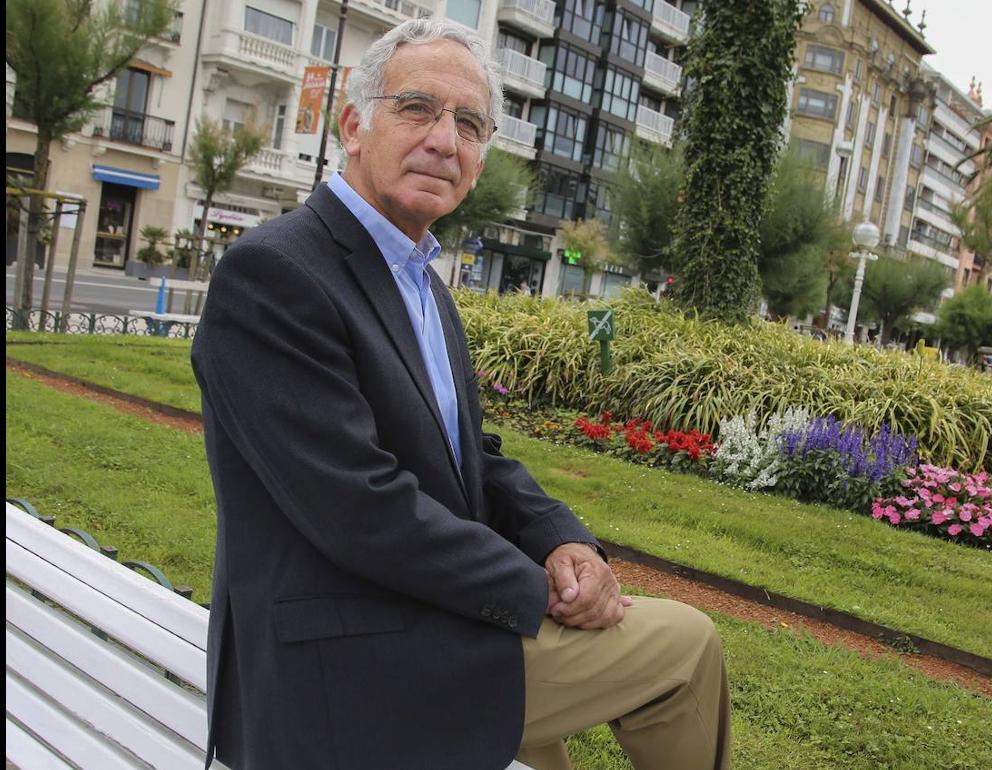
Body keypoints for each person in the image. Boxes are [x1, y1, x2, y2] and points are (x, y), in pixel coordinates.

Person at [191, 18, 730, 770]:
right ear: (353, 126)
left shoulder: (418, 282)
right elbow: (360, 508)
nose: (446, 140)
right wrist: (539, 590)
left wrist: (561, 540)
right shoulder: (274, 273)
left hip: (414, 622)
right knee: (685, 647)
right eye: (417, 108)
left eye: (470, 123)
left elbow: (468, 455)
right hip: (339, 670)